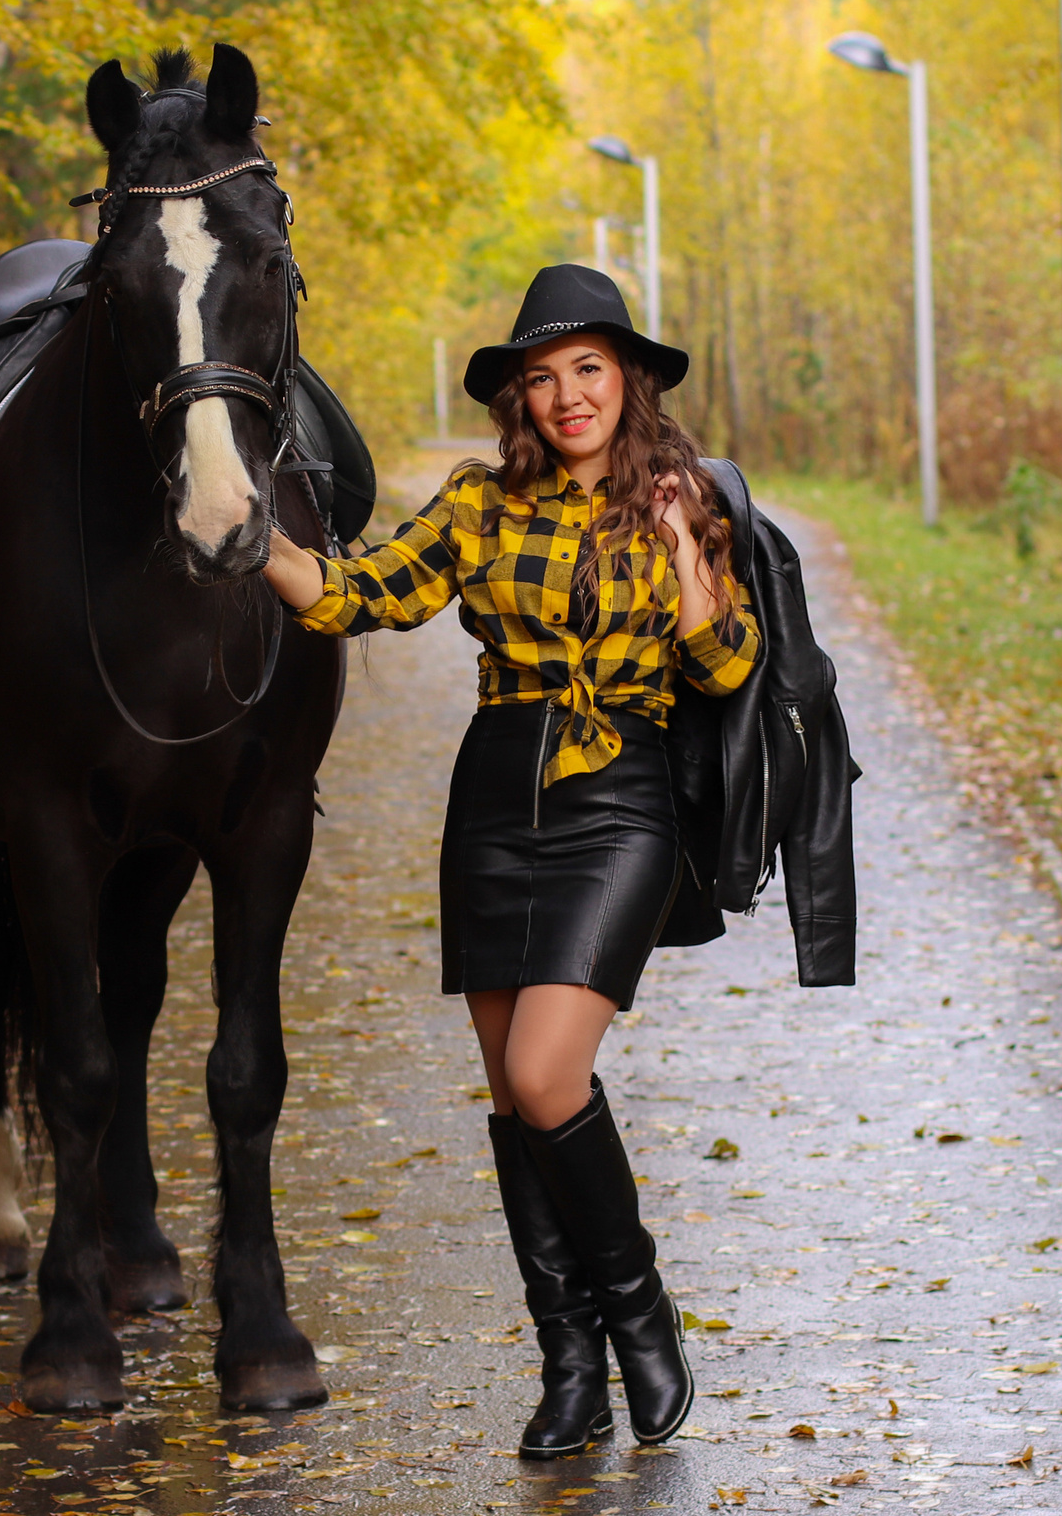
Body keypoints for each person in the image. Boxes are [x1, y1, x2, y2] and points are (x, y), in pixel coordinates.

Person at [263, 263, 760, 1456]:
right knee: (513, 1100)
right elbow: (353, 598)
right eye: (541, 378)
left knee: (547, 1075)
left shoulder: (687, 498)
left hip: (622, 802)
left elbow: (730, 668)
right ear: (519, 401)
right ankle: (569, 1368)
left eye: (585, 368)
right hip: (494, 801)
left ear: (626, 379)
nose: (566, 395)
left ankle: (644, 1322)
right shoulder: (479, 505)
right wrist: (246, 538)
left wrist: (689, 556)